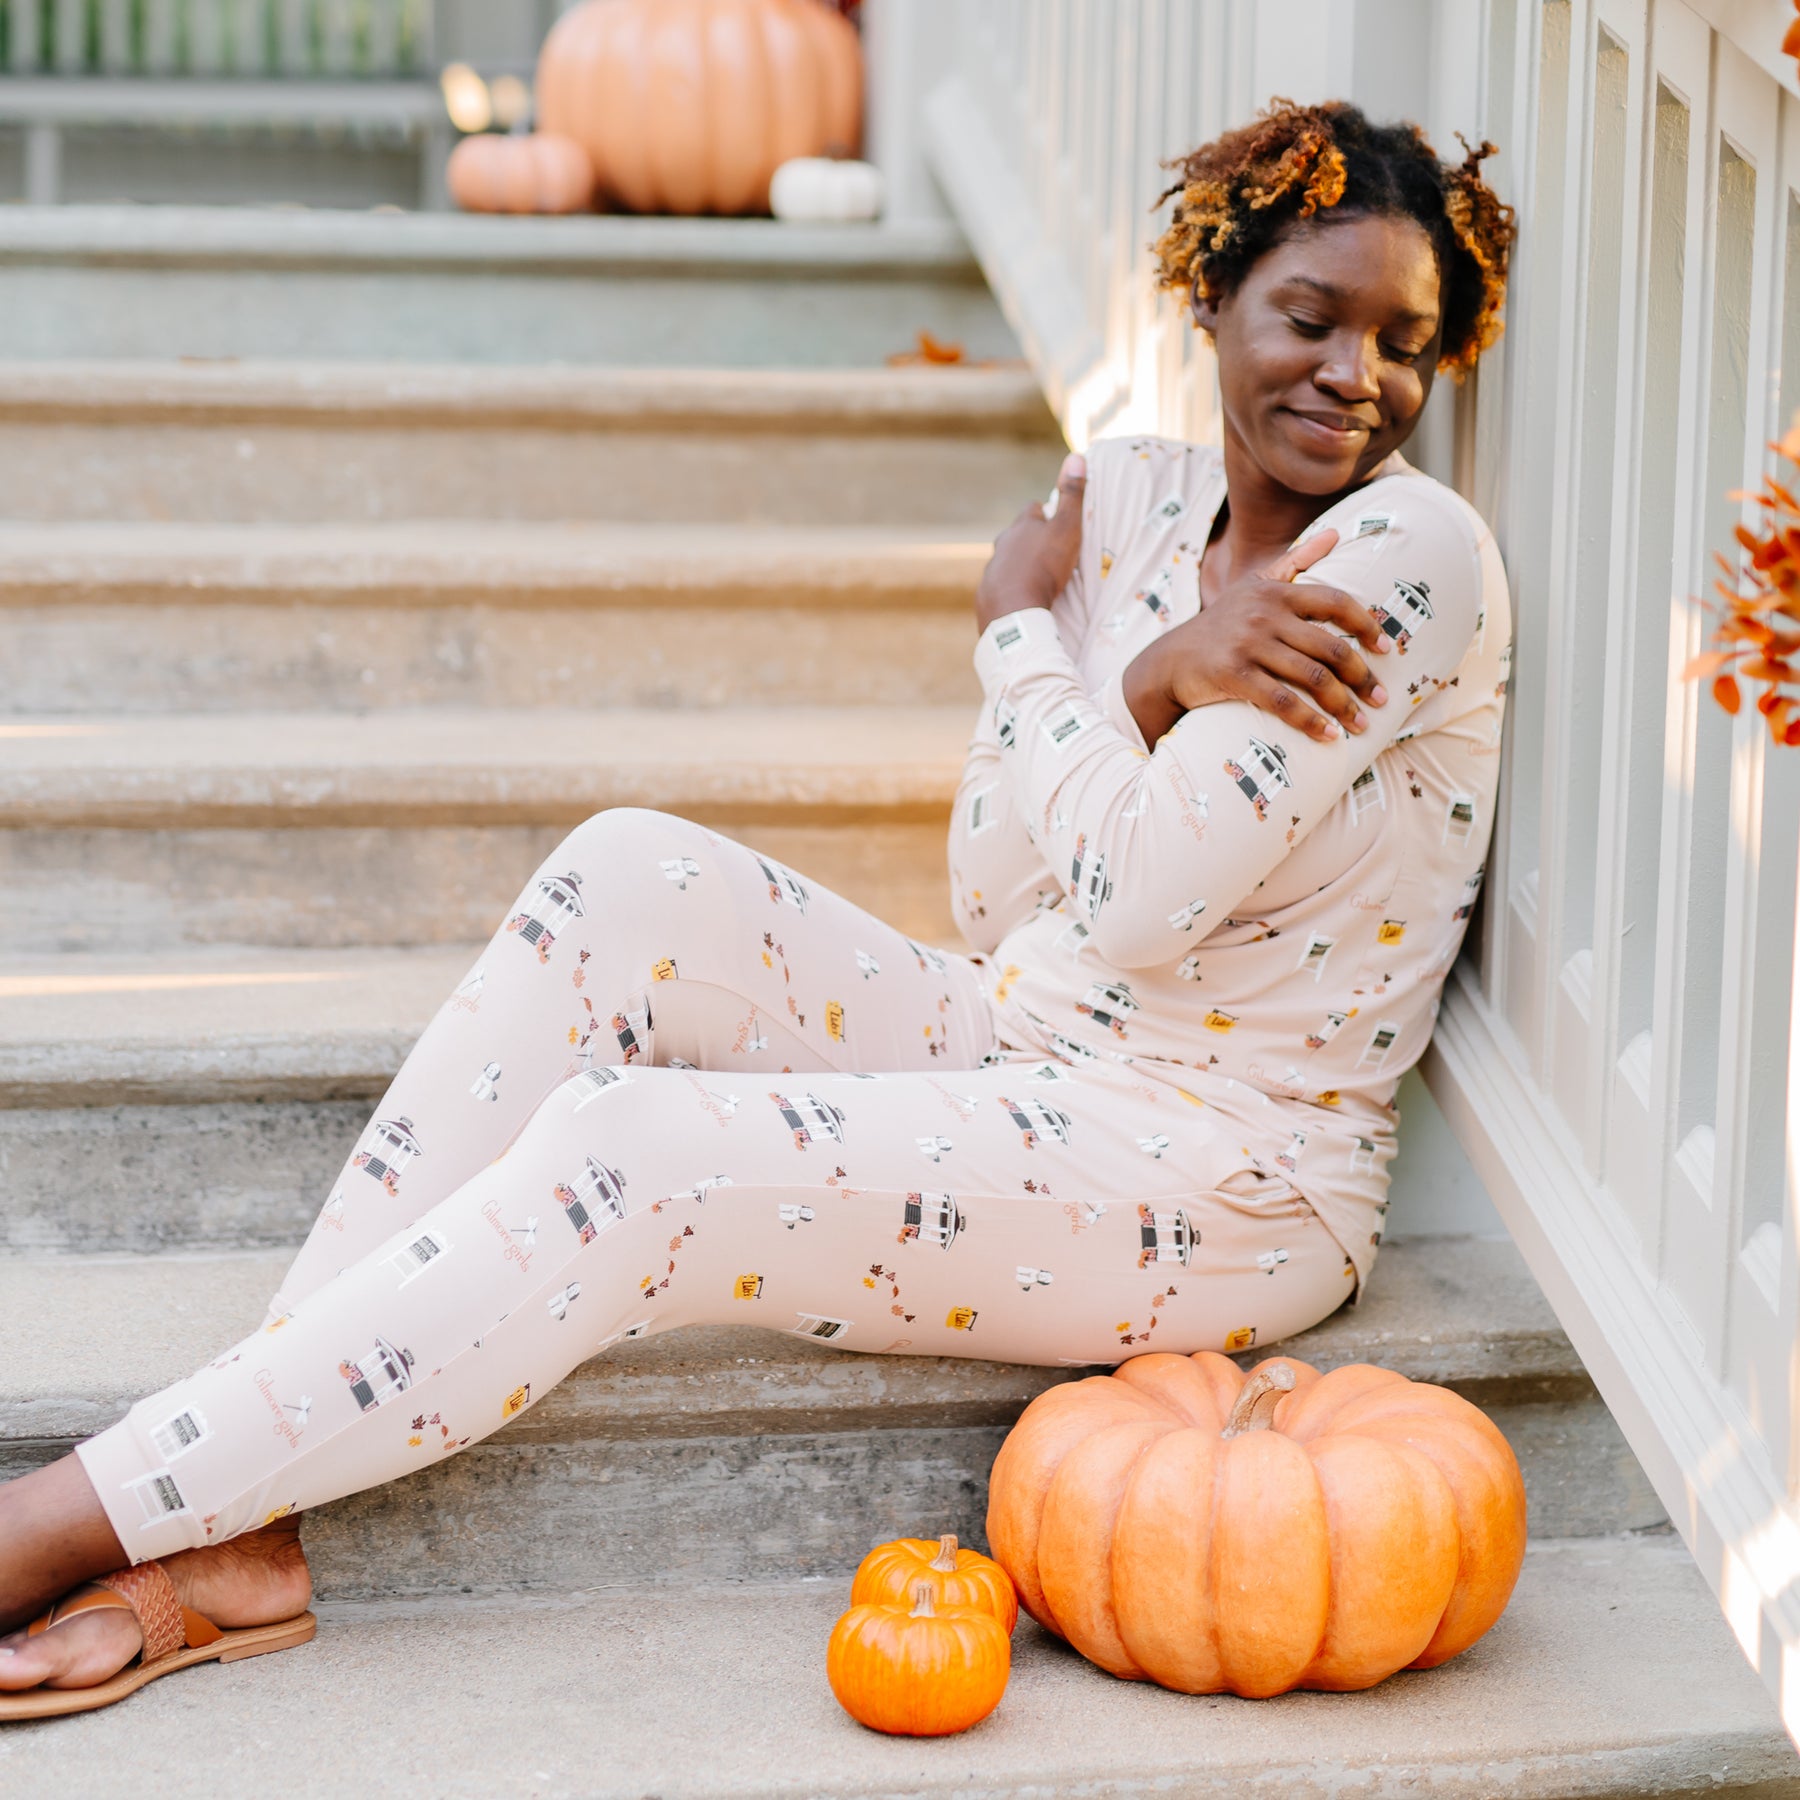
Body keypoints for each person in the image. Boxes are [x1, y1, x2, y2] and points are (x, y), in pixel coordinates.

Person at [0, 97, 1517, 1716]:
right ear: (1209, 299)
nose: (1355, 376)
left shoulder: (1404, 554)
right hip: (1032, 1038)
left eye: (1403, 344)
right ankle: (236, 1529)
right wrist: (1134, 691)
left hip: (1227, 1170)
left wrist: (1037, 642)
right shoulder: (1131, 499)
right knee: (629, 873)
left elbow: (1135, 901)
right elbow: (1005, 889)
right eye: (1310, 316)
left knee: (636, 1151)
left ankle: (51, 1525)